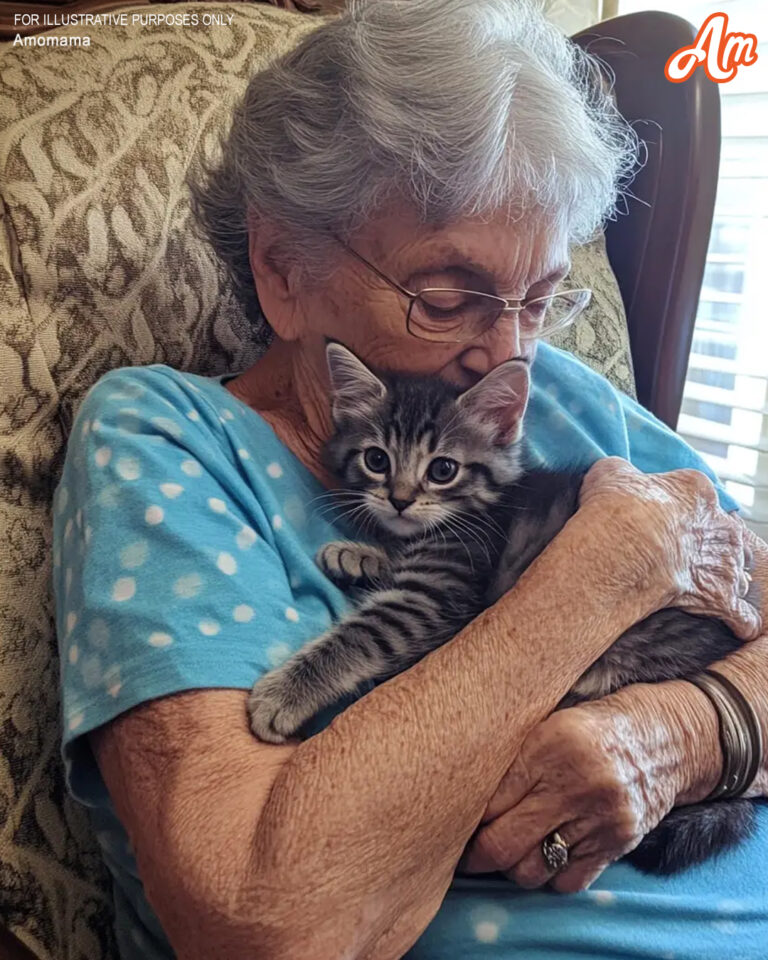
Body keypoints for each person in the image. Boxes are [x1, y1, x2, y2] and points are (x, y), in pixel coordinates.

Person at [52, 1, 768, 958]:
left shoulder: (550, 391)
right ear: (283, 270)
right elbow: (265, 924)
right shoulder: (166, 440)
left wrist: (691, 730)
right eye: (448, 296)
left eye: (543, 298)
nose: (509, 352)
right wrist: (605, 573)